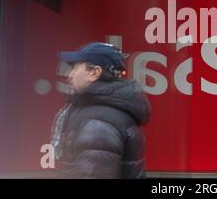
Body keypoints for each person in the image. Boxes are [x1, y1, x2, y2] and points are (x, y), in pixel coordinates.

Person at [50, 42, 151, 178]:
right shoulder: (104, 110)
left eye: (74, 68)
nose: (70, 75)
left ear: (94, 72)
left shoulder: (98, 122)